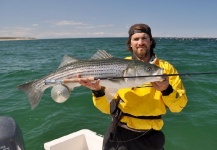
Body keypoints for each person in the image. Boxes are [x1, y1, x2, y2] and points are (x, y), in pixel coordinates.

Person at [77, 23, 188, 150]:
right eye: (136, 39)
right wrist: (97, 91)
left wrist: (167, 90)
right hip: (119, 133)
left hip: (150, 137)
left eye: (144, 38)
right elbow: (106, 108)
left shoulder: (165, 69)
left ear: (151, 41)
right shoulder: (119, 66)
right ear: (130, 43)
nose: (140, 42)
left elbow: (178, 107)